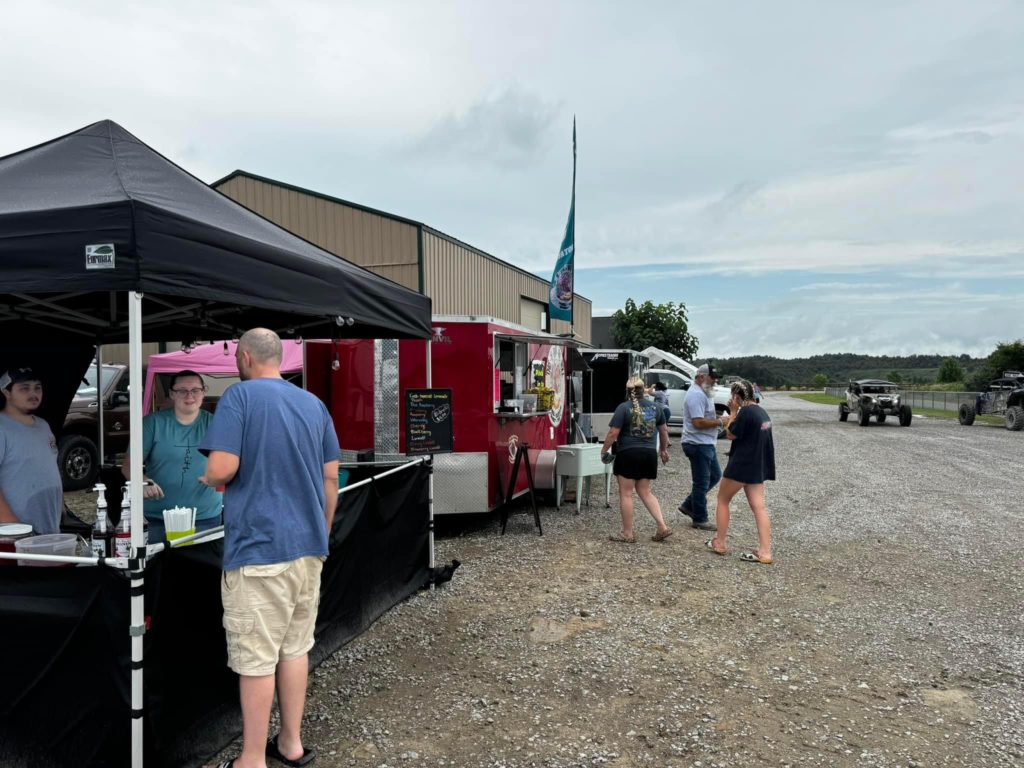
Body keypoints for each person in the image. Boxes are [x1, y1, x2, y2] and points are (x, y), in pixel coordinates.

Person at [199, 328, 339, 768]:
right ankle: (291, 744)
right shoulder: (313, 404)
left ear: (243, 358)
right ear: (279, 358)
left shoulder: (239, 399)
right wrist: (322, 532)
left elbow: (224, 466)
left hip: (259, 549)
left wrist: (206, 478)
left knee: (256, 658)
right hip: (307, 548)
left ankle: (252, 760)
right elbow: (331, 478)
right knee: (295, 648)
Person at [121, 370, 222, 542]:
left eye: (195, 390)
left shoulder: (216, 424)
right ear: (172, 394)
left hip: (205, 516)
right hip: (158, 517)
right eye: (182, 390)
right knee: (157, 568)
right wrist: (143, 482)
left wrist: (219, 477)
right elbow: (129, 465)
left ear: (203, 392)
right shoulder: (152, 424)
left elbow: (233, 461)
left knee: (204, 569)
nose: (189, 395)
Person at [706, 380, 776, 564]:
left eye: (732, 397)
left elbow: (731, 434)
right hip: (756, 467)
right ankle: (765, 551)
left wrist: (733, 413)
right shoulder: (762, 413)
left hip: (741, 466)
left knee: (723, 500)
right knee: (759, 507)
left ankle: (720, 542)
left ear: (737, 397)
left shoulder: (745, 413)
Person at [602, 376, 673, 543]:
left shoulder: (623, 408)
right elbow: (664, 432)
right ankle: (662, 526)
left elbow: (613, 433)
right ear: (644, 390)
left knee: (626, 494)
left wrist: (604, 450)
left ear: (627, 392)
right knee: (645, 491)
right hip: (649, 454)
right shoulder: (656, 407)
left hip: (628, 454)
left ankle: (627, 533)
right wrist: (663, 450)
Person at [0, 367, 63, 534]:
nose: (33, 393)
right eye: (24, 388)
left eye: (38, 387)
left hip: (50, 526)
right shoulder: (2, 428)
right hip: (17, 533)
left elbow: (48, 467)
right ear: (6, 392)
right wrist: (15, 528)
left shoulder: (43, 425)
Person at [677, 362, 727, 531]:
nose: (714, 381)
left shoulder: (704, 393)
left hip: (705, 443)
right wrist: (720, 421)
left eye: (715, 378)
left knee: (715, 475)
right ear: (701, 377)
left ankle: (688, 505)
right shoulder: (696, 395)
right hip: (697, 443)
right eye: (712, 378)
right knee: (701, 482)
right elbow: (697, 422)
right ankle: (700, 518)